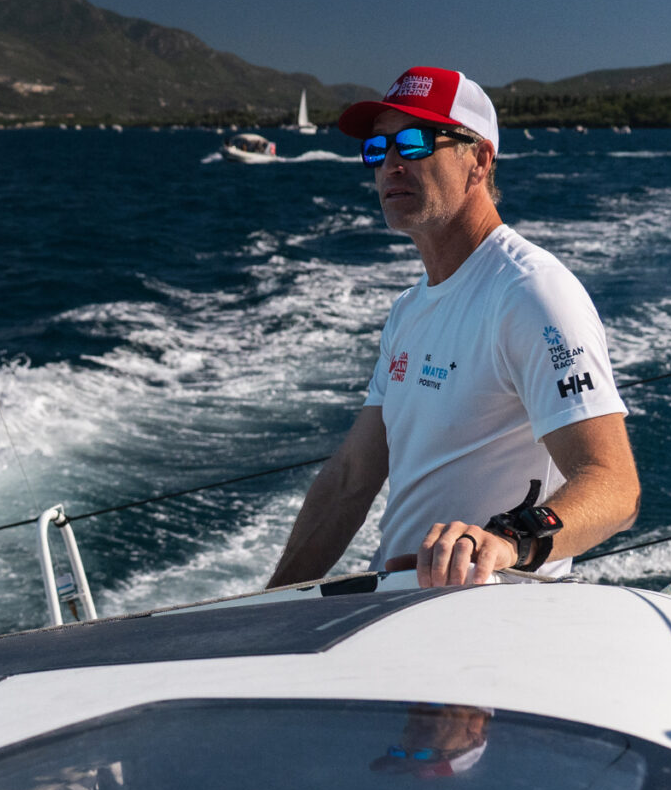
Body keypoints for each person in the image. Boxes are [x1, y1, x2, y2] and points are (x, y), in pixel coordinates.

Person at [268, 66, 639, 589]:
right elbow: (352, 479)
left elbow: (614, 487)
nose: (392, 163)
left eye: (415, 142)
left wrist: (509, 541)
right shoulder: (408, 310)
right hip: (397, 604)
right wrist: (265, 607)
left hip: (490, 613)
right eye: (378, 148)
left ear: (479, 160)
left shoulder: (531, 293)